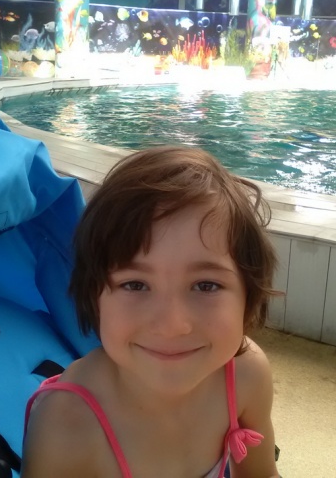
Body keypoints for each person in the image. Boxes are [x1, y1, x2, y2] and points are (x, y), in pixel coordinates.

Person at [22, 147, 280, 478]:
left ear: (249, 295)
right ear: (93, 297)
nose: (172, 325)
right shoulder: (67, 425)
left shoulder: (244, 375)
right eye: (135, 285)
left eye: (205, 285)